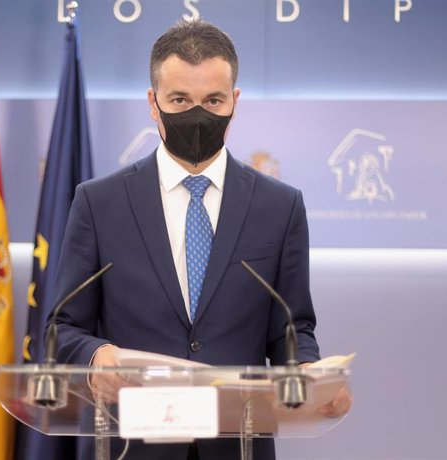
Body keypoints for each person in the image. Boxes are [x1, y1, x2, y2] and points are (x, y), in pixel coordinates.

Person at [51, 19, 351, 460]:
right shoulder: (99, 202)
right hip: (133, 446)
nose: (198, 116)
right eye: (180, 100)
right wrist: (97, 357)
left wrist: (311, 377)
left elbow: (291, 329)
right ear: (153, 104)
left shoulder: (280, 205)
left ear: (235, 102)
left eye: (213, 100)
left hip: (238, 445)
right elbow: (61, 329)